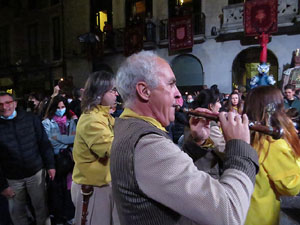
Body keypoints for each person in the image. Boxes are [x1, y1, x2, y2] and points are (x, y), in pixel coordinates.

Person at [110, 51, 259, 225]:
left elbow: (167, 182)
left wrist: (196, 144)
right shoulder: (148, 145)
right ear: (144, 91)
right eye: (171, 84)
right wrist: (239, 146)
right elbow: (230, 213)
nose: (179, 94)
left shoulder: (129, 128)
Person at [243, 86, 300, 225]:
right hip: (261, 217)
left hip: (244, 213)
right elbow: (291, 187)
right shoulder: (272, 145)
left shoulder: (245, 138)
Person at [71, 71, 120, 225]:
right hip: (93, 188)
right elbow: (113, 149)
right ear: (99, 93)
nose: (117, 94)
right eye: (112, 90)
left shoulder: (104, 116)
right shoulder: (92, 119)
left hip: (104, 184)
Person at [0, 91, 55, 225]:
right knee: (18, 214)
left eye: (7, 102)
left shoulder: (31, 119)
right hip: (12, 179)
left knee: (41, 208)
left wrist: (50, 166)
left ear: (15, 103)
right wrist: (2, 186)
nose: (4, 107)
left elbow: (44, 143)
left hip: (35, 174)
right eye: (0, 104)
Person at [42, 96, 77, 225]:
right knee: (56, 190)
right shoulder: (46, 122)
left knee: (69, 188)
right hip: (55, 160)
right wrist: (67, 140)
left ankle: (69, 214)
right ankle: (58, 216)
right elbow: (50, 142)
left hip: (70, 159)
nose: (61, 110)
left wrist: (58, 138)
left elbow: (75, 138)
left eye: (63, 107)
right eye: (58, 107)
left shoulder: (70, 120)